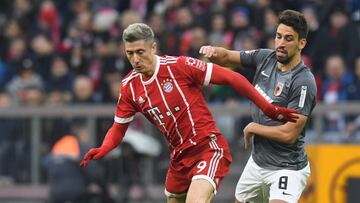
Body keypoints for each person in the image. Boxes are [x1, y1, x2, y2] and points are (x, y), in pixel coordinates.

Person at [80, 23, 298, 203]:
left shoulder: (179, 67)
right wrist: (104, 147)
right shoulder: (130, 87)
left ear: (153, 48)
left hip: (208, 148)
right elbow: (119, 128)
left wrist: (269, 108)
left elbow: (233, 78)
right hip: (178, 159)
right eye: (130, 54)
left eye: (140, 52)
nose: (136, 59)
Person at [199, 10, 317, 203]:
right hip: (258, 162)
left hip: (287, 167)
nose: (280, 44)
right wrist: (213, 52)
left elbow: (289, 134)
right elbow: (228, 57)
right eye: (278, 37)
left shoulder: (303, 81)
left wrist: (254, 128)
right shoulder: (265, 58)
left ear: (301, 43)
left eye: (288, 39)